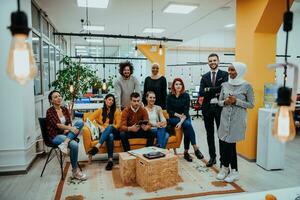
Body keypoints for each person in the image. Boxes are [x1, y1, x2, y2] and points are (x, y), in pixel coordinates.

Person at [216, 62, 254, 182]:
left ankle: (226, 168)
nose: (230, 73)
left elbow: (251, 105)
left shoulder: (247, 86)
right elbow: (219, 102)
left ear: (240, 71)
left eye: (233, 70)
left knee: (229, 144)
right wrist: (226, 102)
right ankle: (233, 171)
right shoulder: (225, 85)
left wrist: (236, 101)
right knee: (229, 144)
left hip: (237, 120)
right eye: (229, 70)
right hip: (225, 119)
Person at [46, 90, 87, 180]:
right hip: (56, 136)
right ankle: (75, 171)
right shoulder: (50, 111)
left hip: (67, 134)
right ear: (51, 100)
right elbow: (57, 125)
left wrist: (68, 128)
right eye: (55, 97)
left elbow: (69, 122)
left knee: (80, 122)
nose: (58, 98)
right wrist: (70, 129)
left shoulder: (64, 109)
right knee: (74, 144)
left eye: (59, 96)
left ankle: (65, 143)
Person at [199, 53, 228, 167]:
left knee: (221, 135)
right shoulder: (204, 76)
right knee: (209, 134)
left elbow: (223, 88)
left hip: (220, 108)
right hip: (207, 109)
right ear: (208, 63)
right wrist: (215, 90)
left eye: (214, 60)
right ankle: (212, 157)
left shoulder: (224, 74)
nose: (212, 62)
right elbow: (201, 92)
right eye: (210, 61)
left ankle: (223, 160)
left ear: (218, 61)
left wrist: (208, 89)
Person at [167, 78, 204, 162]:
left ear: (182, 86)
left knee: (187, 125)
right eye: (176, 84)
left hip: (184, 117)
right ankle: (193, 149)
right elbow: (169, 110)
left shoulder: (186, 95)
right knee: (188, 125)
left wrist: (180, 122)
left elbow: (186, 111)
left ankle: (188, 151)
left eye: (180, 84)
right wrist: (179, 116)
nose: (178, 86)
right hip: (173, 118)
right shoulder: (169, 96)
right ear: (173, 86)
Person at [86, 94, 121, 170]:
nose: (111, 101)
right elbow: (88, 119)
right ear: (105, 100)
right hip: (105, 133)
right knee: (110, 136)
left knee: (110, 127)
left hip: (115, 132)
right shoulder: (100, 110)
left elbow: (118, 125)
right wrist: (99, 126)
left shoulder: (116, 111)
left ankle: (97, 146)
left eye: (112, 100)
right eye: (109, 99)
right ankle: (110, 161)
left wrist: (109, 127)